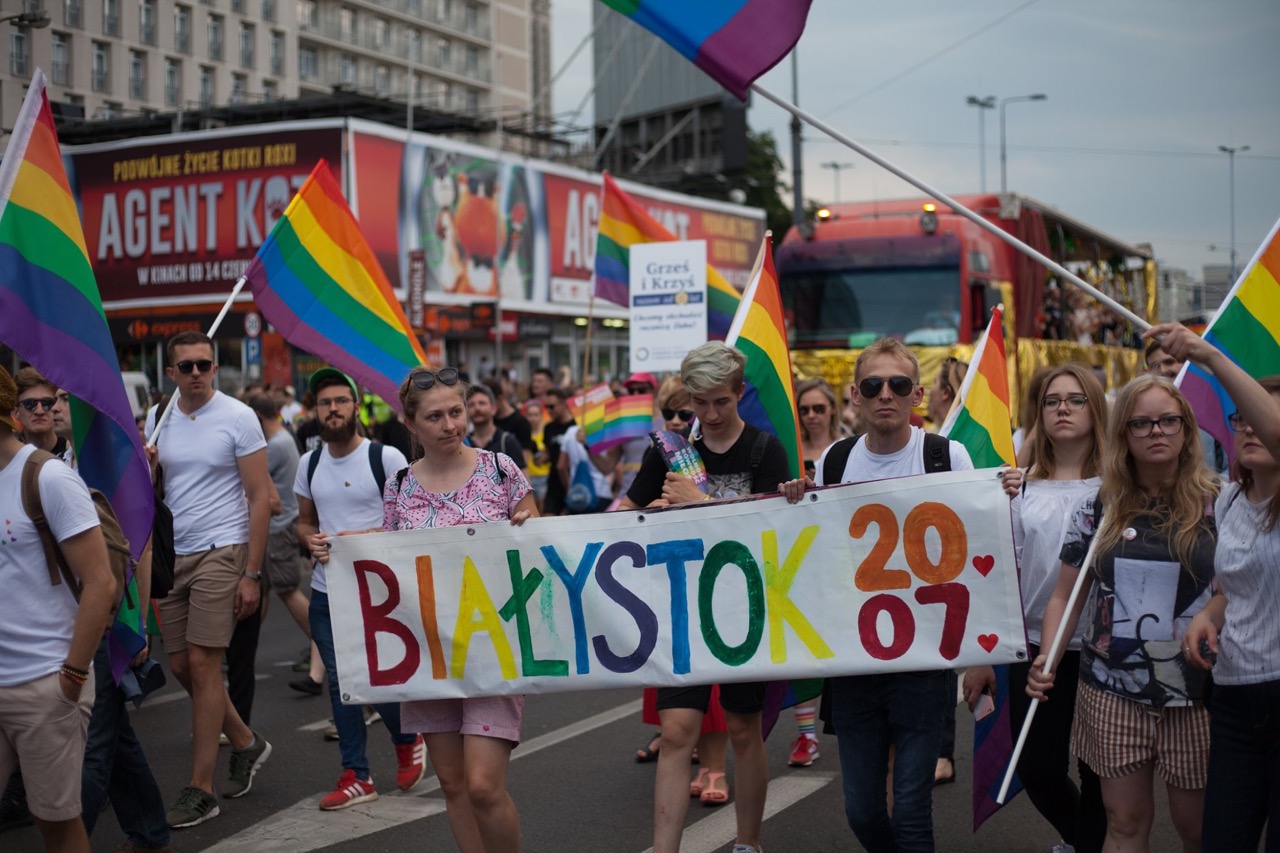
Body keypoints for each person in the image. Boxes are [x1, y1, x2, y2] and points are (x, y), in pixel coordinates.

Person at [782, 338, 972, 853]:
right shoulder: (835, 461)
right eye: (873, 385)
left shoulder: (946, 455)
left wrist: (981, 654)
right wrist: (796, 504)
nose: (885, 394)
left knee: (912, 810)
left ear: (918, 394)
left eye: (899, 385)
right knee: (862, 812)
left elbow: (980, 551)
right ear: (855, 396)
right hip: (857, 662)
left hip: (924, 662)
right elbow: (823, 554)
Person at [1028, 372, 1217, 853]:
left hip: (1195, 694)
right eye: (1141, 424)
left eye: (1168, 421)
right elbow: (1063, 596)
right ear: (1123, 436)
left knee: (1197, 828)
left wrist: (1213, 614)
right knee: (1125, 823)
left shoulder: (1219, 503)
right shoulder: (1101, 506)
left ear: (1186, 429)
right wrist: (1046, 659)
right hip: (1113, 690)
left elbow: (1241, 587)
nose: (1157, 432)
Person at [619, 341, 793, 853]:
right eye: (700, 402)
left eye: (722, 401)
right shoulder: (667, 450)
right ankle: (664, 847)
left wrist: (704, 500)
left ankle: (748, 842)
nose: (711, 414)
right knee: (676, 732)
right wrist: (645, 510)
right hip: (681, 608)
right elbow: (622, 517)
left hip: (742, 609)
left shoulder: (766, 450)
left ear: (740, 393)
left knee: (743, 729)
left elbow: (766, 532)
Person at [376, 365, 537, 852]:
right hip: (429, 652)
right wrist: (338, 550)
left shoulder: (500, 469)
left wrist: (529, 532)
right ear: (411, 424)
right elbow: (388, 560)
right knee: (454, 786)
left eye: (456, 411)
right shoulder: (399, 486)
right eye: (435, 417)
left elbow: (538, 557)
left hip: (495, 647)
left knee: (484, 785)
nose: (450, 425)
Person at [964, 363, 1108, 853]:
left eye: (1075, 399)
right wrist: (981, 651)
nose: (1062, 408)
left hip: (1099, 648)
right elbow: (996, 573)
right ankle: (1081, 839)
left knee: (1098, 770)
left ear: (1097, 408)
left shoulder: (1118, 488)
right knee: (1038, 766)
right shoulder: (1018, 488)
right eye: (1051, 401)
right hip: (1032, 646)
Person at [1154, 322, 1280, 851]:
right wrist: (1209, 616)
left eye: (1258, 418)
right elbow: (1232, 589)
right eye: (1239, 420)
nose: (1246, 428)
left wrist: (1208, 355)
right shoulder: (1228, 500)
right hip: (1232, 698)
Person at [145, 331, 273, 828]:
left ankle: (201, 788)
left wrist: (252, 573)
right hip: (175, 552)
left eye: (204, 364)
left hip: (225, 548)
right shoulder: (159, 416)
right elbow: (157, 488)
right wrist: (149, 467)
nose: (196, 373)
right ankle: (246, 740)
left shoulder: (239, 417)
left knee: (203, 662)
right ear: (172, 372)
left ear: (215, 368)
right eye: (186, 366)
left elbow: (259, 497)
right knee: (180, 666)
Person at [294, 367, 427, 811]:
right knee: (341, 683)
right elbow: (304, 520)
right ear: (316, 412)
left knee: (375, 678)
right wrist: (308, 539)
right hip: (327, 593)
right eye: (325, 403)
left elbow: (409, 517)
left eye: (340, 401)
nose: (333, 409)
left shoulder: (384, 458)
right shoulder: (308, 463)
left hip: (378, 591)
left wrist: (361, 537)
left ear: (355, 407)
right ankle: (357, 774)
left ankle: (407, 736)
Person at [0, 364, 118, 853]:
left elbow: (100, 582)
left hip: (44, 683)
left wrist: (70, 675)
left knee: (56, 824)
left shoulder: (47, 478)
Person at [789, 377, 842, 769]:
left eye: (818, 408)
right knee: (804, 648)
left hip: (840, 560)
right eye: (804, 409)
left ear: (832, 410)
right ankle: (806, 735)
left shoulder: (849, 450)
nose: (811, 416)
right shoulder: (789, 450)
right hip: (800, 558)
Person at [246, 395, 315, 694]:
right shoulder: (283, 439)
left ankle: (323, 643)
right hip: (277, 525)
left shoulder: (274, 446)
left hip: (278, 526)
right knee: (260, 590)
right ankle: (241, 649)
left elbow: (248, 479)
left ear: (259, 417)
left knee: (287, 590)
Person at [923, 357, 969, 785]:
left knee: (942, 657)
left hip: (944, 563)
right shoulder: (920, 444)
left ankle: (942, 750)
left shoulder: (950, 449)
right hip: (916, 563)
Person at [1144, 338, 1228, 477]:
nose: (1163, 370)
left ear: (1186, 365)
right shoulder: (1139, 412)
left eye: (1169, 362)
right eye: (1155, 366)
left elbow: (1231, 464)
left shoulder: (1214, 406)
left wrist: (1213, 493)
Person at [14, 367, 71, 460]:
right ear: (16, 412)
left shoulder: (72, 456)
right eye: (30, 404)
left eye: (47, 403)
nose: (39, 411)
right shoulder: (9, 459)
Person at [465, 384, 526, 469]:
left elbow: (522, 478)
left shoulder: (507, 442)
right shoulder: (464, 444)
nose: (477, 408)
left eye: (482, 403)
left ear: (493, 409)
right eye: (471, 405)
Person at [539, 387, 576, 516]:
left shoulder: (576, 426)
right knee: (548, 522)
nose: (548, 410)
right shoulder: (548, 428)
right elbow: (549, 452)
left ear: (563, 403)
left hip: (574, 481)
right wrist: (541, 458)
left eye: (552, 406)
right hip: (554, 483)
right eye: (546, 407)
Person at [484, 375, 534, 455]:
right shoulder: (488, 421)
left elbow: (525, 459)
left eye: (485, 403)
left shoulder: (520, 423)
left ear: (500, 398)